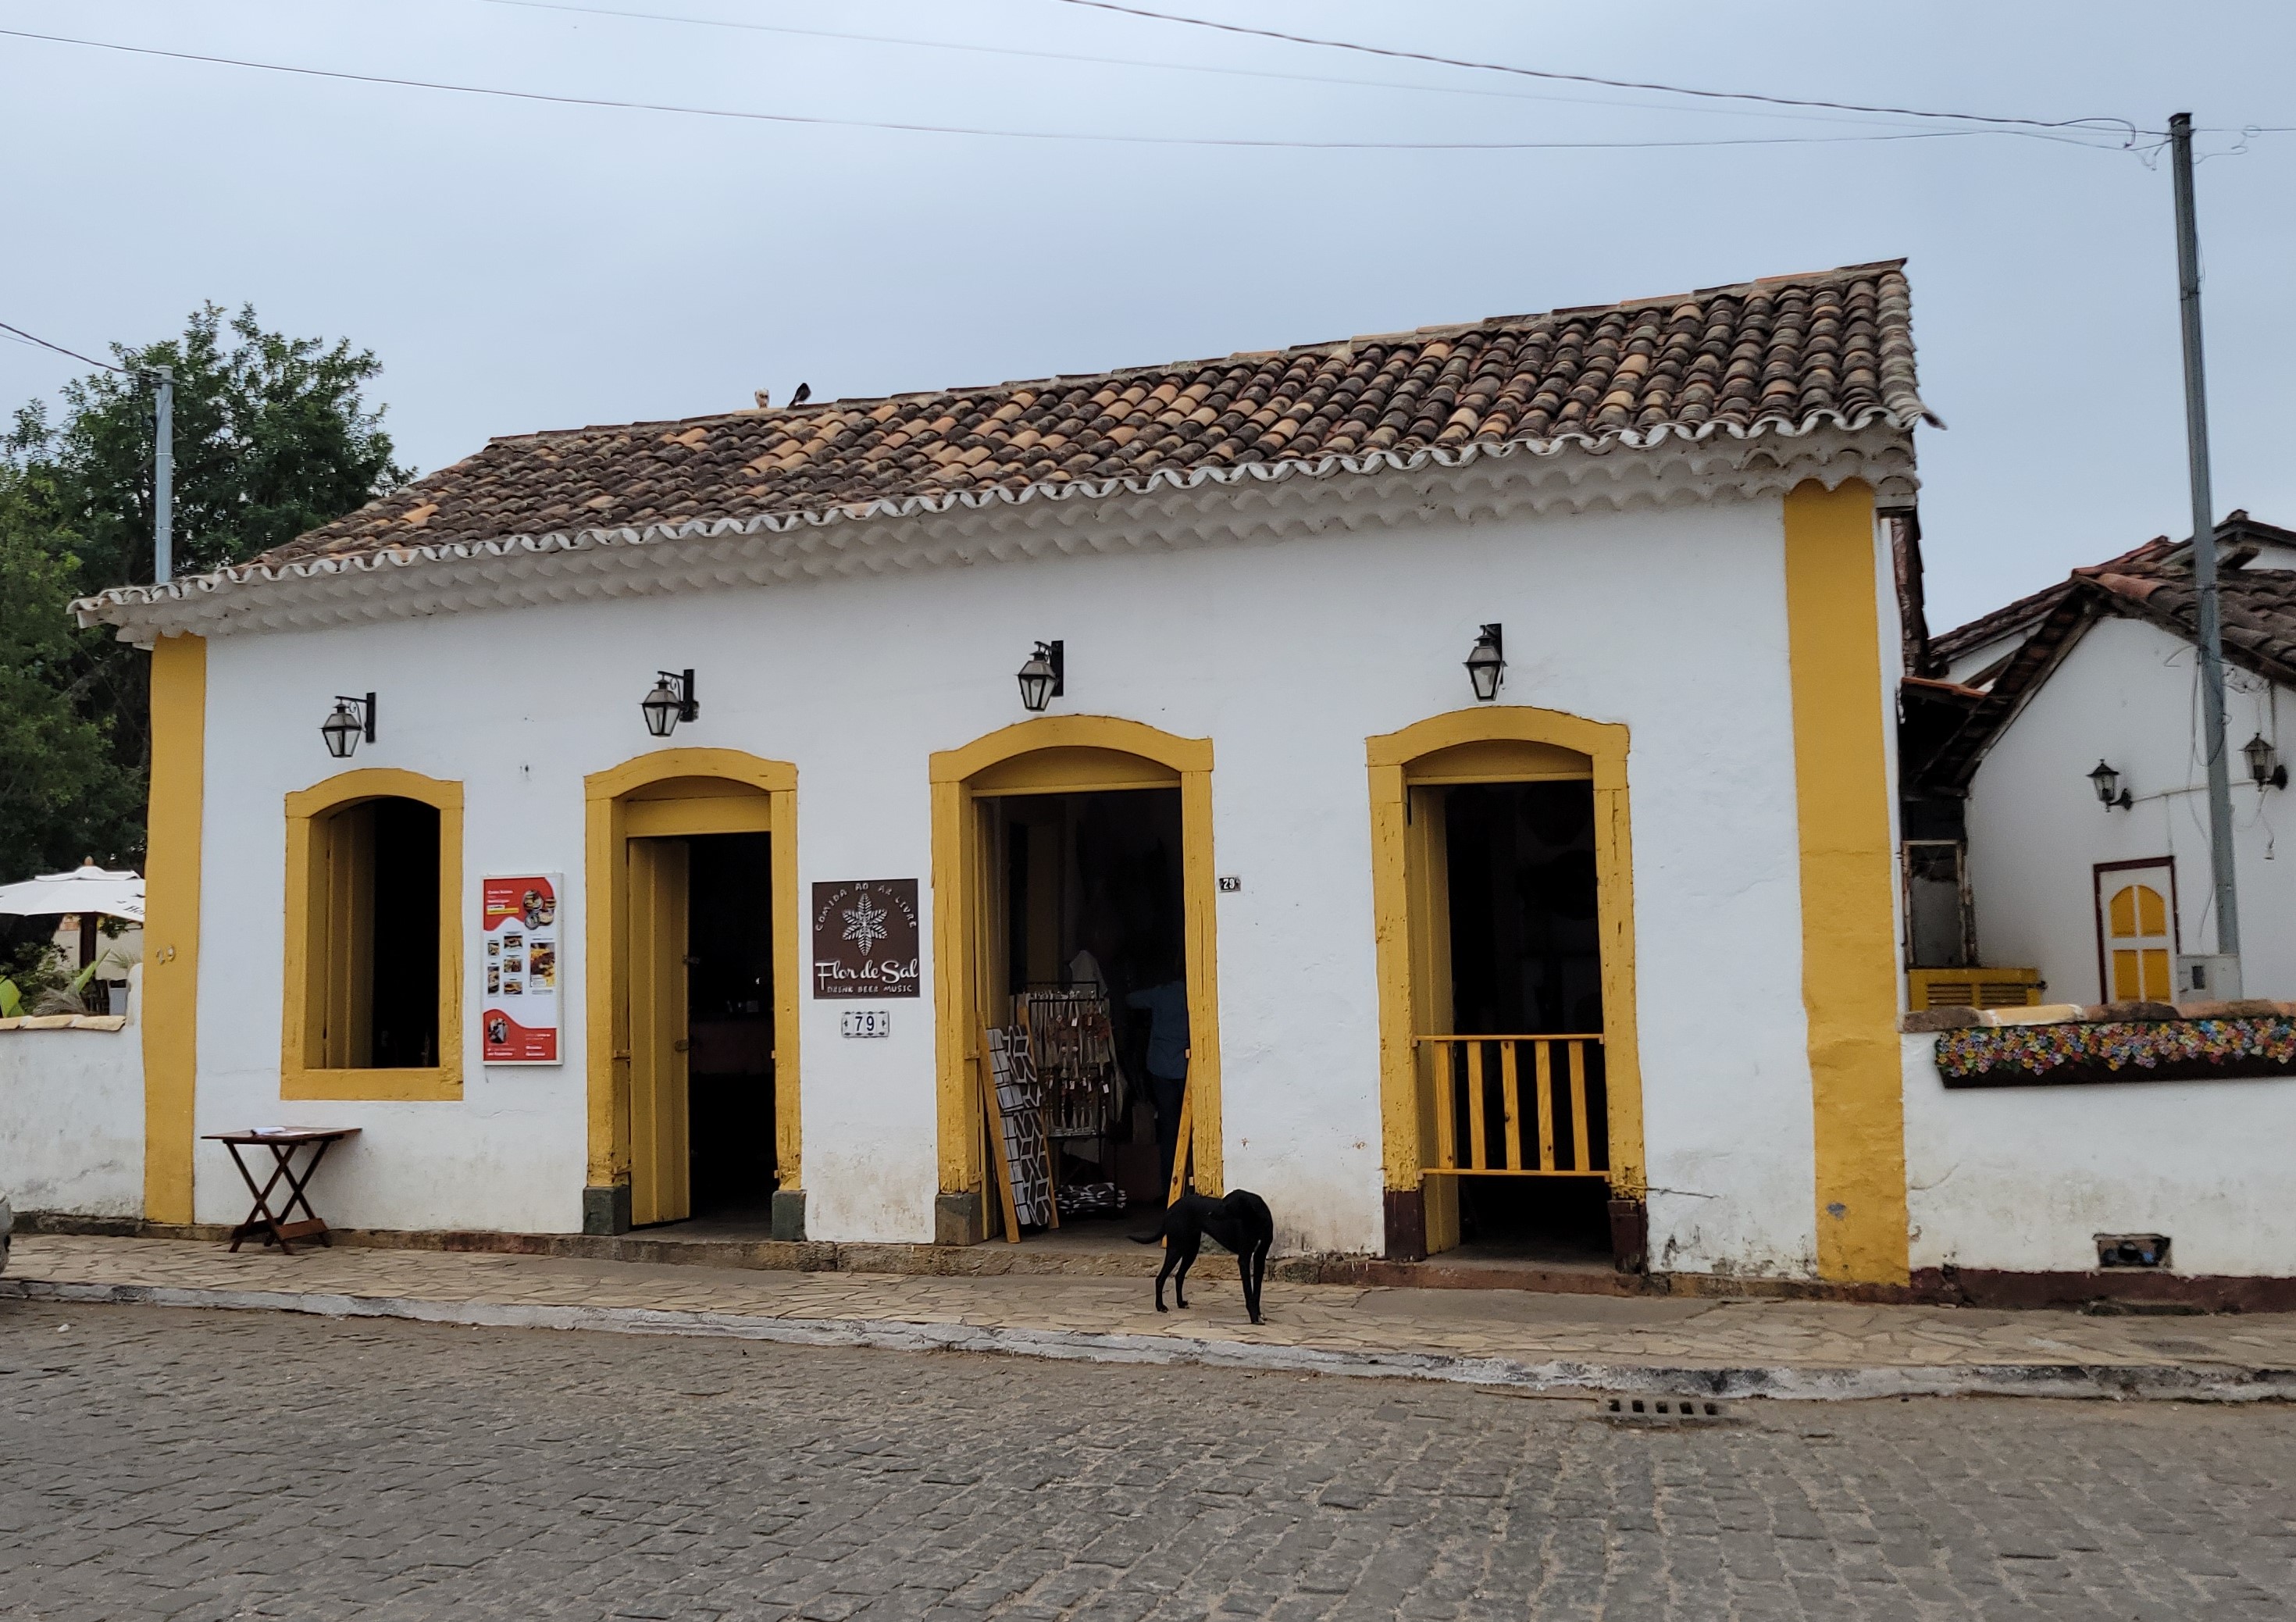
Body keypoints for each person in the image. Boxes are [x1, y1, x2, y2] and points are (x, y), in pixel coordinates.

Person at [1125, 968, 1189, 1195]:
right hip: (1186, 1067)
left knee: (1168, 1128)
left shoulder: (1160, 993)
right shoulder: (1192, 993)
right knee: (1192, 1127)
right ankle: (1194, 1183)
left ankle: (1169, 1189)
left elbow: (1131, 1000)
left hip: (1161, 1068)